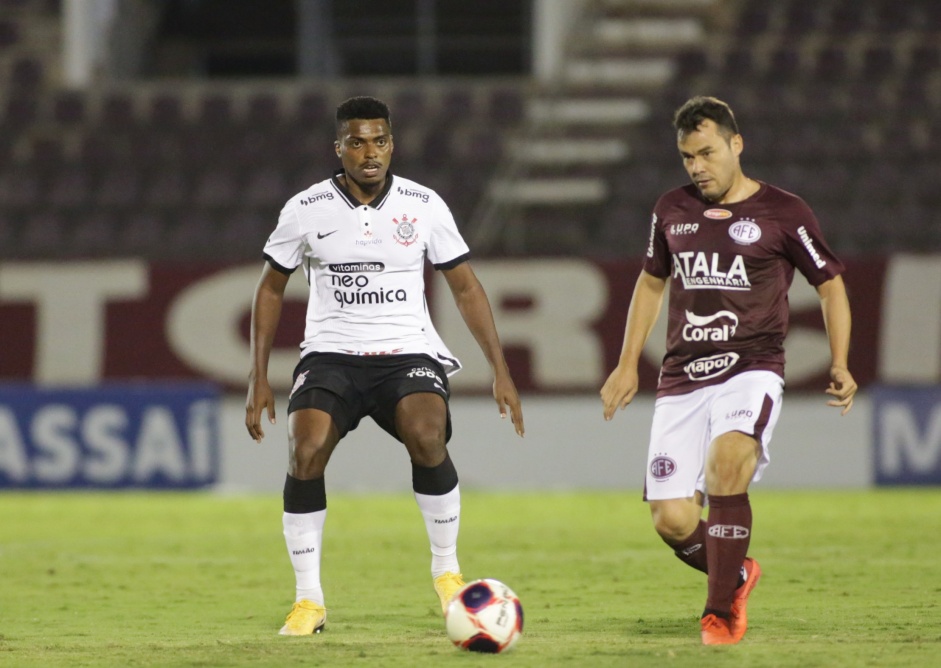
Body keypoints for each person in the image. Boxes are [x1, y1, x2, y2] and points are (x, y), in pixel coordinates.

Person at [245, 95, 525, 636]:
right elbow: (270, 288)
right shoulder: (305, 209)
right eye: (356, 142)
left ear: (392, 145)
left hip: (406, 352)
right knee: (305, 450)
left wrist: (501, 368)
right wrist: (258, 376)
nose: (368, 152)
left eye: (378, 141)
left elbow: (464, 286)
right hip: (331, 355)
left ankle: (447, 571)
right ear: (339, 148)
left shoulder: (423, 205)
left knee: (428, 435)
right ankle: (309, 602)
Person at [600, 96, 857, 645]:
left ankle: (718, 612)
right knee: (671, 520)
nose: (697, 166)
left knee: (726, 466)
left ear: (736, 145)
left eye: (708, 153)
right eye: (687, 156)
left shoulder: (785, 212)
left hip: (751, 368)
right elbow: (651, 283)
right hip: (681, 378)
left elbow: (830, 285)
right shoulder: (670, 208)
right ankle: (738, 573)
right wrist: (626, 366)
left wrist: (839, 361)